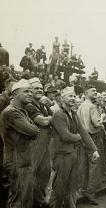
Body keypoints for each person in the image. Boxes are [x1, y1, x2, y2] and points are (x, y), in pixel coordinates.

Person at [51, 86, 99, 207]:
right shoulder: (58, 115)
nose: (73, 98)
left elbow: (83, 132)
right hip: (62, 156)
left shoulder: (73, 114)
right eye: (69, 96)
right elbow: (66, 136)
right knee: (60, 188)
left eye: (74, 96)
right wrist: (78, 137)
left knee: (72, 185)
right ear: (62, 98)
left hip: (72, 154)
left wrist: (94, 150)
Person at [0, 79, 40, 208]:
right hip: (17, 161)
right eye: (26, 91)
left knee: (25, 198)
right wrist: (33, 130)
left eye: (30, 91)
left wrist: (33, 130)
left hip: (23, 159)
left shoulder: (22, 110)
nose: (30, 94)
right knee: (19, 199)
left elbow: (34, 129)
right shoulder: (12, 112)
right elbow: (33, 131)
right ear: (15, 94)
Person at [24, 78, 53, 206]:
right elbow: (44, 121)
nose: (39, 90)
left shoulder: (43, 105)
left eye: (41, 88)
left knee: (45, 171)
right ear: (30, 90)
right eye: (36, 88)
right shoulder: (29, 105)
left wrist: (51, 116)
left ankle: (39, 199)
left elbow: (53, 115)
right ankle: (35, 201)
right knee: (33, 174)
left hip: (45, 143)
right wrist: (53, 117)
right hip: (35, 144)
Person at [77, 86, 105, 205]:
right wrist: (102, 118)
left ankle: (82, 190)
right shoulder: (92, 106)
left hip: (82, 137)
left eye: (96, 90)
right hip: (93, 137)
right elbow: (97, 123)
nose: (96, 92)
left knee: (83, 164)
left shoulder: (81, 106)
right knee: (94, 165)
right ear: (86, 93)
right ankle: (90, 193)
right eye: (93, 91)